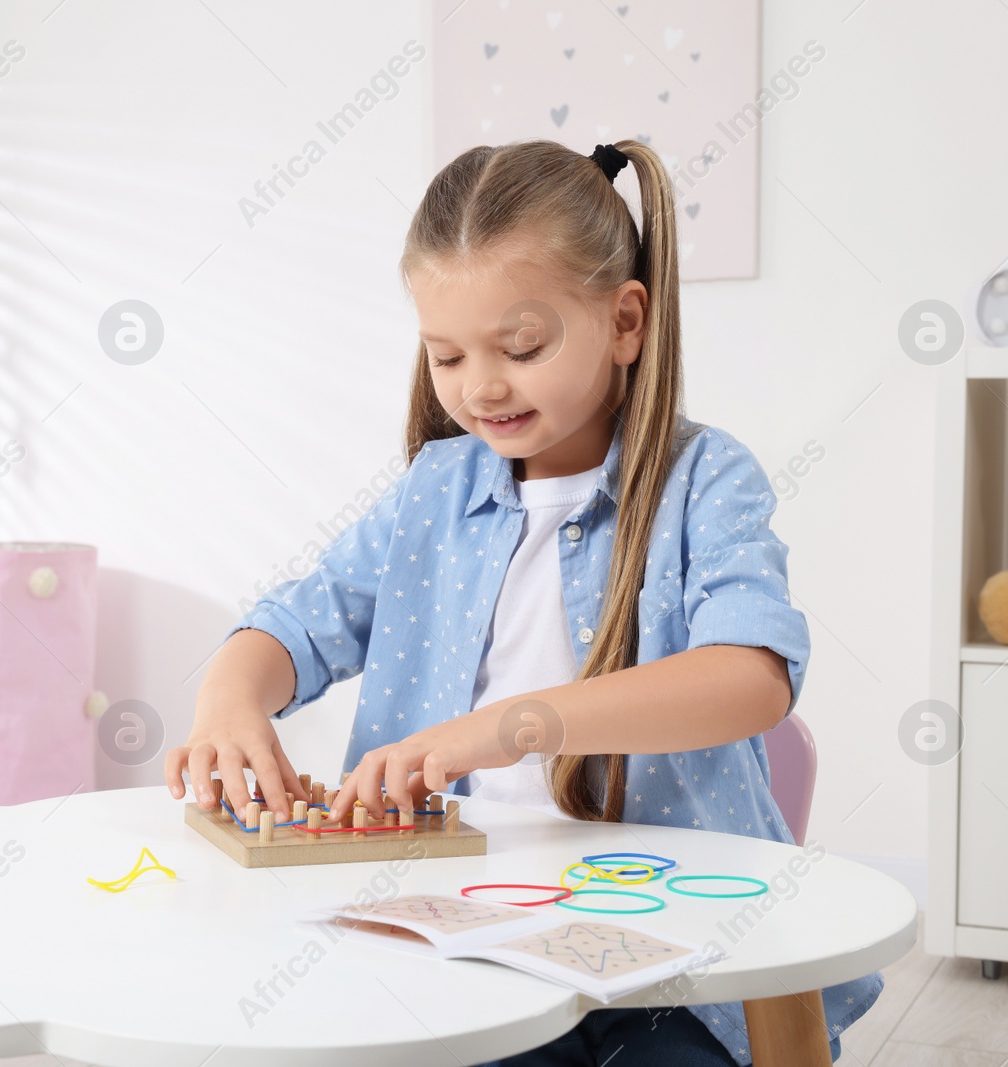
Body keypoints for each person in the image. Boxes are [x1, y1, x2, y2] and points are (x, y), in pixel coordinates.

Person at [163, 138, 881, 1066]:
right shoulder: (434, 486)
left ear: (626, 322)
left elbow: (750, 678)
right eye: (447, 356)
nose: (481, 386)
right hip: (453, 940)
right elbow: (294, 623)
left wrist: (512, 723)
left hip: (666, 959)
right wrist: (229, 699)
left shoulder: (703, 478)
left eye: (523, 346)